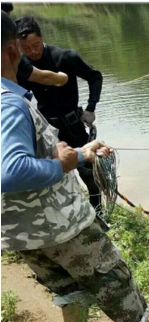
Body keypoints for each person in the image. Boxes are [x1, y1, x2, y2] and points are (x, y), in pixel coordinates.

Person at [1, 11, 149, 322]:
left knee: (67, 289)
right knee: (111, 276)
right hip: (59, 225)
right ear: (13, 51)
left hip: (20, 235)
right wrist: (60, 164)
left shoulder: (45, 73)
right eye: (25, 50)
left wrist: (79, 151)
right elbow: (10, 171)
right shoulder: (8, 103)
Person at [15, 16, 104, 214]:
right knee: (52, 174)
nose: (32, 52)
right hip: (47, 129)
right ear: (18, 47)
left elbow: (95, 77)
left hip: (73, 125)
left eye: (36, 45)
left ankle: (98, 213)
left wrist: (91, 108)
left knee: (88, 172)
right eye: (26, 49)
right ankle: (66, 214)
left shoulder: (64, 57)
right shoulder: (22, 67)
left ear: (42, 38)